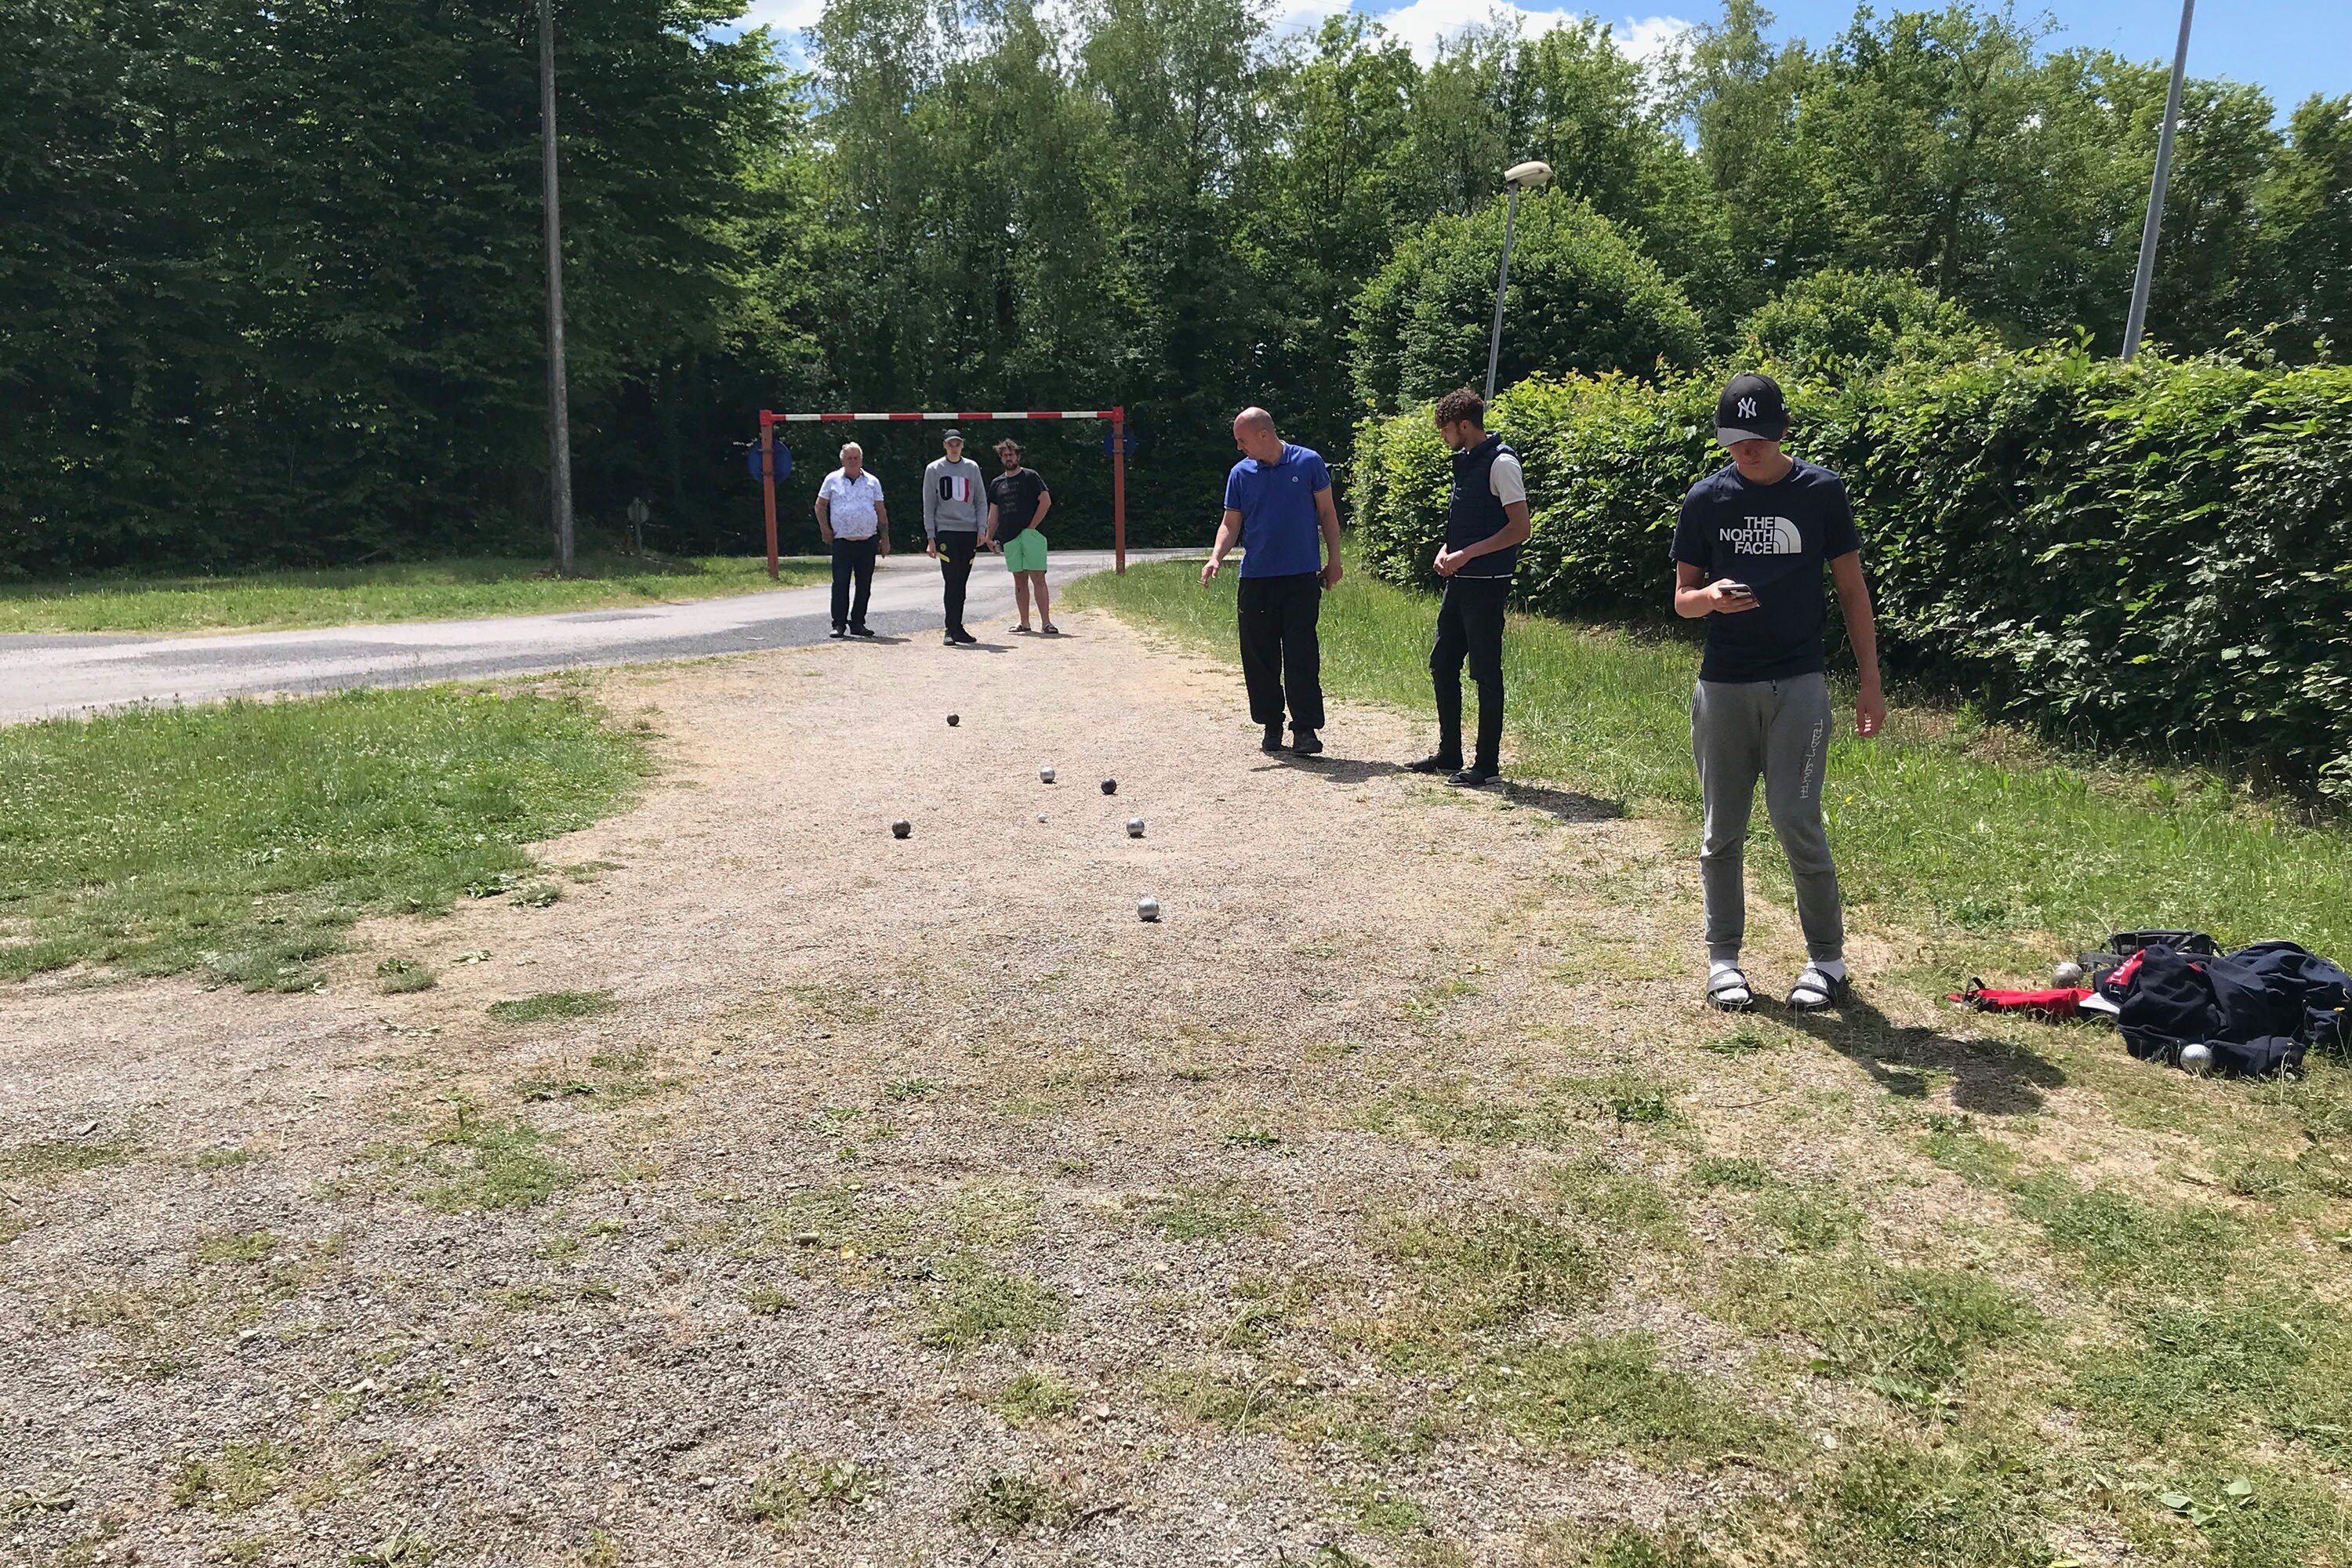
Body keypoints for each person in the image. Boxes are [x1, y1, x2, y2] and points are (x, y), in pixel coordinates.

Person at [1671, 372, 1885, 1014]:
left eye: (1758, 438)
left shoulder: (1820, 491)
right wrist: (1709, 598)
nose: (1747, 450)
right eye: (1735, 440)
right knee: (1722, 830)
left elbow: (1852, 591)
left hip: (1799, 680)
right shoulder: (1706, 499)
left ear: (1781, 430)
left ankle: (1828, 960)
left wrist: (1870, 683)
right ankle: (1724, 960)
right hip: (1724, 683)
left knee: (1797, 820)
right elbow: (1682, 601)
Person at [1202, 407, 1343, 756]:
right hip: (1257, 578)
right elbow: (1230, 523)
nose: (1239, 447)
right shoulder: (1240, 474)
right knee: (1259, 655)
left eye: (1242, 440)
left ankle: (1305, 729)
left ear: (1263, 434)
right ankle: (1271, 724)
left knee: (1301, 653)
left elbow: (1327, 513)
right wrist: (1216, 556)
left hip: (1300, 577)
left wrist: (1335, 560)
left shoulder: (1308, 462)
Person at [1408, 388, 1531, 787]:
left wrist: (1466, 555)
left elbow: (1519, 529)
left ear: (1465, 425)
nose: (1443, 437)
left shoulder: (1502, 463)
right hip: (1460, 581)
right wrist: (1448, 551)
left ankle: (1487, 765)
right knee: (1443, 664)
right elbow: (1466, 522)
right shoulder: (1465, 462)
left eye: (1446, 430)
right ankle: (1449, 754)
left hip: (1487, 583)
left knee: (1485, 672)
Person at [815, 442, 890, 638]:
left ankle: (858, 623)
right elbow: (820, 506)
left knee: (864, 584)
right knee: (840, 584)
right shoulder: (832, 480)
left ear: (861, 460)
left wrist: (885, 539)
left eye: (856, 458)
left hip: (868, 540)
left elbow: (881, 511)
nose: (853, 461)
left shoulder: (872, 482)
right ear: (842, 460)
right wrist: (825, 529)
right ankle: (838, 624)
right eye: (849, 458)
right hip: (842, 541)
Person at [984, 437, 1054, 634]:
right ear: (1001, 458)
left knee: (1038, 578)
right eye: (1005, 455)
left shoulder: (1031, 477)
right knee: (1019, 579)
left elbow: (1045, 501)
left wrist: (1032, 527)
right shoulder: (997, 483)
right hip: (1010, 537)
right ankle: (1024, 622)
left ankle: (1046, 622)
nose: (1009, 458)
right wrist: (989, 536)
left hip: (1032, 534)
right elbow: (994, 512)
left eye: (1012, 454)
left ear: (1018, 456)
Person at [923, 430, 986, 645]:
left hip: (968, 531)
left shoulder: (972, 468)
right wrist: (931, 536)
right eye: (951, 444)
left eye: (957, 444)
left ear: (962, 445)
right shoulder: (934, 469)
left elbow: (980, 500)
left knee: (962, 581)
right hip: (946, 531)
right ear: (944, 445)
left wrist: (982, 529)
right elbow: (929, 504)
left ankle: (958, 627)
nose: (954, 447)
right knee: (951, 581)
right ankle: (950, 628)